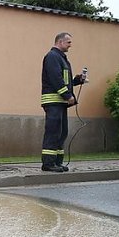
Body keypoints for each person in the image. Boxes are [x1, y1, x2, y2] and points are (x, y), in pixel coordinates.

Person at [40, 32, 86, 172]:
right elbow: (56, 79)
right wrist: (67, 95)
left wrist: (78, 80)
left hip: (60, 102)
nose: (70, 46)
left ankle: (57, 162)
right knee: (53, 132)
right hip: (54, 101)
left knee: (61, 132)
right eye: (68, 43)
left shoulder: (61, 58)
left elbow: (64, 81)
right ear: (60, 42)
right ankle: (48, 164)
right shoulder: (53, 57)